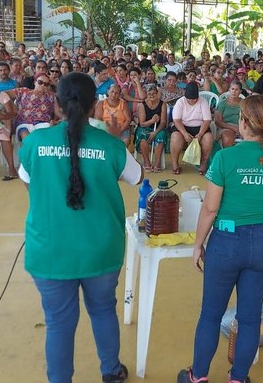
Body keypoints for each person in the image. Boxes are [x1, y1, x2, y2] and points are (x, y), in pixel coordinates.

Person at [19, 72, 141, 383]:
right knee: (102, 310)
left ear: (57, 105)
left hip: (49, 249)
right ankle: (111, 371)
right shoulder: (111, 146)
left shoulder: (34, 143)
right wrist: (112, 135)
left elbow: (26, 180)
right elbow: (137, 176)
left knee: (58, 323)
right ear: (94, 106)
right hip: (100, 249)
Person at [177, 94, 263, 383]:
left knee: (211, 315)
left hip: (226, 243)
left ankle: (198, 376)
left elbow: (210, 207)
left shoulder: (225, 157)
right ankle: (238, 378)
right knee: (250, 318)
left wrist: (198, 244)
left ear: (242, 123)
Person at [170, 83, 213, 175]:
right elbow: (176, 120)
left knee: (208, 138)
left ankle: (203, 163)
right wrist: (184, 133)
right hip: (183, 126)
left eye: (194, 99)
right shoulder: (180, 102)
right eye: (190, 99)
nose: (192, 101)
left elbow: (207, 120)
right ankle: (175, 163)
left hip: (200, 126)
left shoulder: (203, 102)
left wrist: (200, 134)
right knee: (175, 137)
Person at [9, 73, 58, 143]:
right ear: (35, 82)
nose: (42, 85)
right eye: (40, 82)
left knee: (45, 137)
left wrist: (55, 83)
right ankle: (31, 151)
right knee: (27, 138)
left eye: (46, 84)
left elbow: (58, 110)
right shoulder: (23, 91)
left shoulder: (51, 96)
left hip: (43, 123)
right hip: (24, 123)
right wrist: (12, 107)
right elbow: (4, 94)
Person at [134, 84, 168, 172]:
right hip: (145, 127)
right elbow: (141, 123)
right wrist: (152, 121)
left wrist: (155, 132)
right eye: (149, 94)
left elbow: (163, 122)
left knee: (161, 136)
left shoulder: (162, 104)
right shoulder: (142, 105)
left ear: (157, 94)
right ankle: (146, 162)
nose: (152, 96)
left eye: (154, 93)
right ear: (147, 95)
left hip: (158, 128)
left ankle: (157, 163)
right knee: (142, 136)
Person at [214, 80, 243, 148]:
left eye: (236, 89)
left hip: (241, 126)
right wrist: (233, 128)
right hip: (226, 126)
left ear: (240, 91)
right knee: (227, 138)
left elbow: (248, 117)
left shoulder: (244, 103)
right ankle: (227, 157)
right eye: (232, 89)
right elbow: (218, 121)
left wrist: (241, 128)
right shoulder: (223, 103)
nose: (234, 91)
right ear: (229, 90)